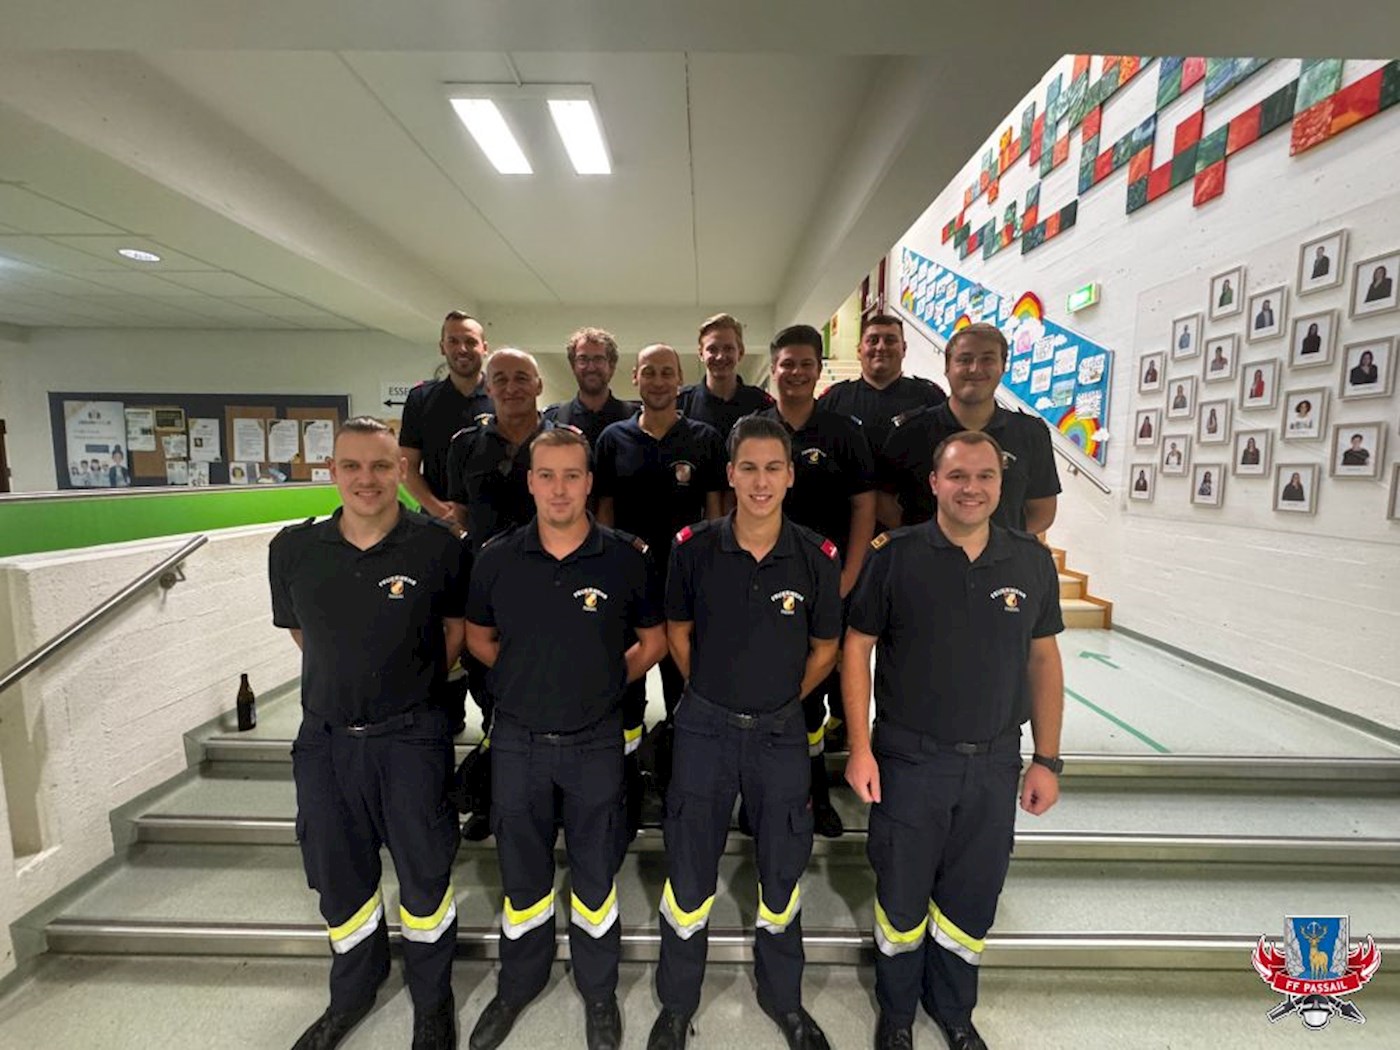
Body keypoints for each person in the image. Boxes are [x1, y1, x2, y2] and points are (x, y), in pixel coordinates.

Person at [843, 430, 1065, 1050]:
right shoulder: (895, 555)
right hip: (910, 759)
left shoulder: (1029, 561)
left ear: (1001, 483)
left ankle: (954, 1011)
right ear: (935, 483)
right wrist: (859, 748)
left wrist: (1047, 760)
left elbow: (1044, 660)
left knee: (972, 897)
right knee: (901, 894)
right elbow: (857, 648)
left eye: (985, 476)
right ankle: (896, 1013)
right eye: (958, 476)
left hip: (994, 763)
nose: (972, 488)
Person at [268, 417, 469, 1050]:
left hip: (411, 738)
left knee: (424, 875)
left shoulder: (438, 546)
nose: (367, 479)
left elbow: (456, 632)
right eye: (352, 466)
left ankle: (432, 1001)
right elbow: (303, 634)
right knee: (339, 876)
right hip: (326, 742)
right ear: (332, 472)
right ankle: (353, 991)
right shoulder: (293, 549)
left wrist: (403, 684)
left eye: (381, 465)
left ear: (401, 471)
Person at [465, 427, 666, 1050]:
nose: (559, 489)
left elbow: (654, 640)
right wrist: (523, 678)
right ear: (530, 482)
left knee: (595, 875)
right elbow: (477, 637)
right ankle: (518, 984)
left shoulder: (625, 559)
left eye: (571, 475)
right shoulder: (496, 558)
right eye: (547, 475)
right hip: (518, 741)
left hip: (595, 741)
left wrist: (605, 679)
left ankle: (598, 990)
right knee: (523, 877)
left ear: (589, 482)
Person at [647, 415, 842, 1050]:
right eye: (749, 468)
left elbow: (826, 649)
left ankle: (782, 997)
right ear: (730, 474)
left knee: (782, 871)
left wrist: (780, 701)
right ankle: (677, 1003)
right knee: (689, 871)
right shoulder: (693, 548)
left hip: (781, 733)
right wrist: (712, 693)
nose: (761, 482)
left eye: (773, 468)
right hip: (703, 728)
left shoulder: (816, 557)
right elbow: (678, 634)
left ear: (790, 476)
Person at [594, 344, 727, 837]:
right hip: (629, 586)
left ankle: (678, 785)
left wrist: (711, 578)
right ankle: (627, 784)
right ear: (635, 377)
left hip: (685, 587)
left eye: (666, 372)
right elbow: (603, 512)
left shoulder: (704, 439)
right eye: (648, 372)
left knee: (683, 690)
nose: (657, 380)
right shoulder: (613, 439)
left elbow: (716, 513)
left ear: (680, 379)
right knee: (626, 692)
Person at [758, 324, 876, 838]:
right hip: (765, 585)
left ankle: (815, 794)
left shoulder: (842, 431)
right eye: (787, 363)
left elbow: (864, 507)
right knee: (771, 687)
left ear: (818, 369)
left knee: (817, 695)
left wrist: (848, 577)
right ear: (773, 369)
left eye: (806, 363)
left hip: (828, 586)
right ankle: (762, 794)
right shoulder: (754, 428)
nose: (796, 372)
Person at [446, 349, 561, 834]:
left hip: (552, 591)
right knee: (494, 699)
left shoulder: (564, 443)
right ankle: (495, 801)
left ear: (538, 385)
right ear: (487, 387)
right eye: (501, 379)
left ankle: (555, 799)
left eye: (521, 378)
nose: (511, 387)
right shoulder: (465, 446)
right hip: (488, 595)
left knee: (553, 694)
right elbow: (459, 515)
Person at [877, 323, 1060, 534]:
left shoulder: (1031, 433)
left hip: (1002, 555)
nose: (975, 369)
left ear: (1003, 367)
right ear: (947, 367)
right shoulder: (910, 431)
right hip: (921, 554)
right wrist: (921, 540)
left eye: (987, 359)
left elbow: (1042, 511)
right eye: (965, 360)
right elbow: (882, 502)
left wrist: (1002, 544)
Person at [400, 311, 494, 526]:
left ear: (484, 348)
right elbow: (407, 467)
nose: (462, 349)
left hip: (494, 523)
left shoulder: (502, 398)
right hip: (437, 522)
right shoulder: (421, 399)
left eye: (471, 342)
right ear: (442, 347)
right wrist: (440, 511)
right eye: (453, 341)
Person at [819, 313, 946, 453]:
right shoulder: (834, 400)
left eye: (890, 341)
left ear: (904, 349)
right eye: (873, 340)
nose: (881, 347)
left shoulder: (930, 398)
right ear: (859, 350)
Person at [676, 313, 774, 439]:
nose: (720, 357)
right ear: (701, 354)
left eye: (728, 348)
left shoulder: (761, 404)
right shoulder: (681, 404)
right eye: (712, 349)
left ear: (740, 353)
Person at [542, 327, 637, 448]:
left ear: (611, 366)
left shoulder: (635, 418)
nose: (591, 367)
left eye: (598, 359)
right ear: (573, 366)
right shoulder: (552, 419)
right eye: (583, 359)